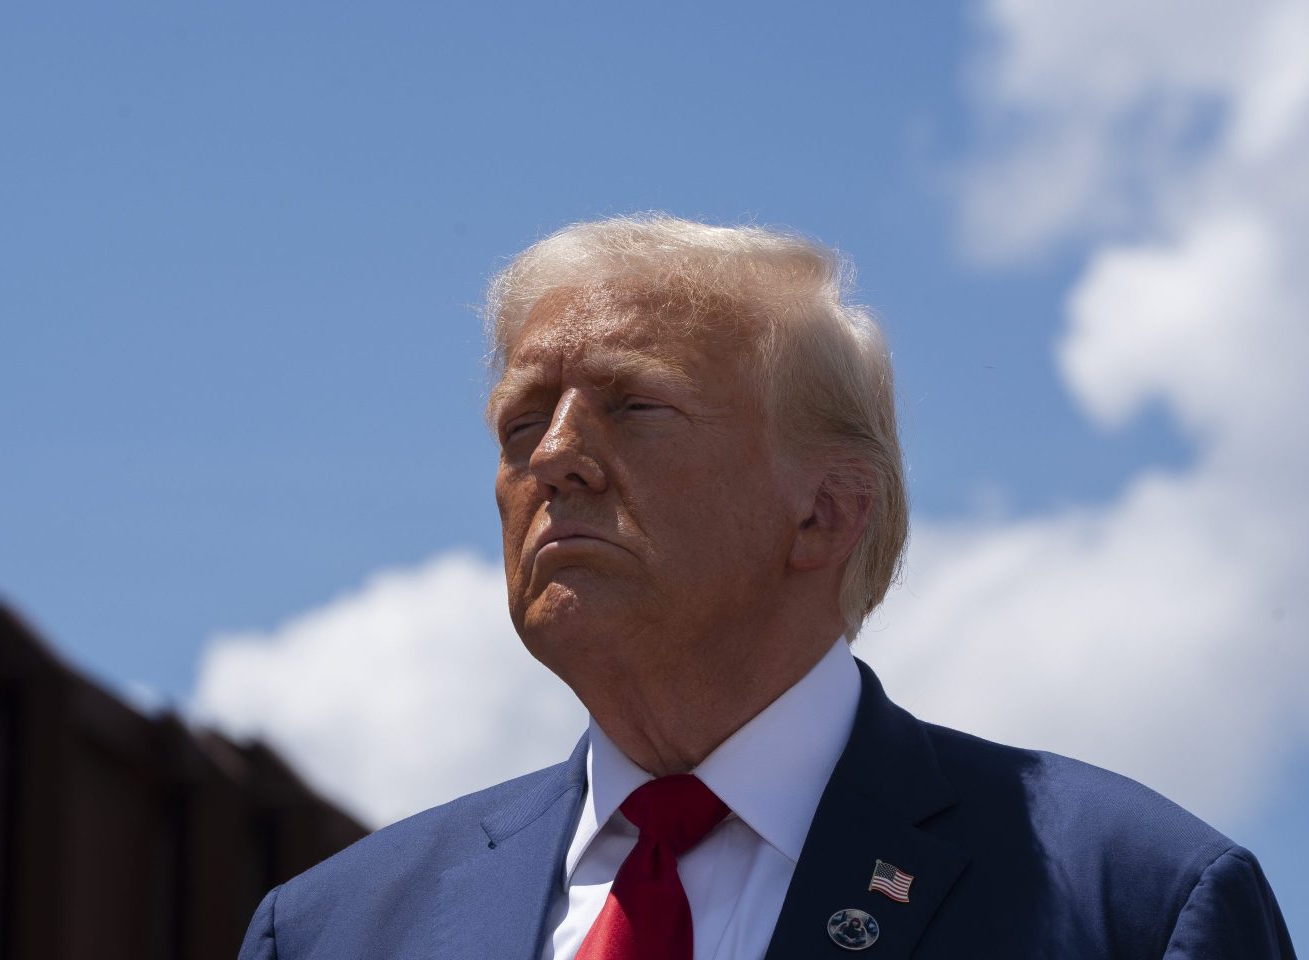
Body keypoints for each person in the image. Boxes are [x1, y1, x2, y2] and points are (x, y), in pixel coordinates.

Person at [238, 216, 1296, 959]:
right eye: (522, 422)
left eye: (633, 406)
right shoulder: (337, 930)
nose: (555, 455)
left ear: (828, 512)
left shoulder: (1134, 906)